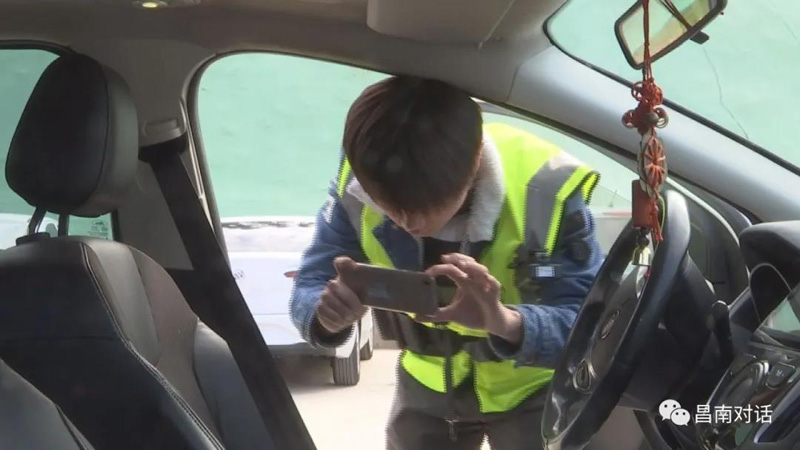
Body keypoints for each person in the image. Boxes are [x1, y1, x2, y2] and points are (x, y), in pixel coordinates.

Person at [289, 75, 603, 450]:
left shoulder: (547, 191)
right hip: (426, 384)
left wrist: (504, 322)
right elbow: (310, 285)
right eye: (389, 207)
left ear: (475, 164)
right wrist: (325, 317)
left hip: (533, 388)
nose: (407, 223)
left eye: (425, 209)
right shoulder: (360, 181)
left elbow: (588, 329)